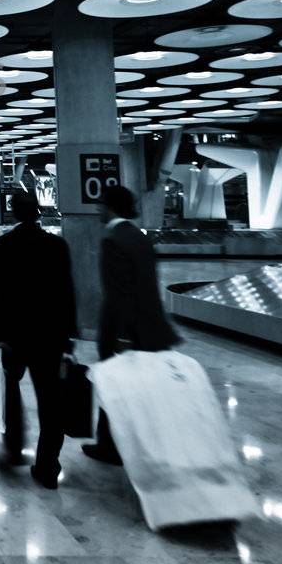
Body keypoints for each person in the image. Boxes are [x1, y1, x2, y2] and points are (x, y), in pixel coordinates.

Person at [0, 191, 76, 488]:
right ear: (38, 211)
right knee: (50, 401)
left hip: (15, 336)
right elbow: (66, 292)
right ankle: (48, 465)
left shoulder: (3, 245)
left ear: (13, 213)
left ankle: (14, 443)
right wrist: (68, 335)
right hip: (49, 336)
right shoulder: (57, 245)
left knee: (11, 387)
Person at [83, 185, 179, 466]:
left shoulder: (113, 240)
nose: (98, 209)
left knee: (114, 388)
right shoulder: (139, 237)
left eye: (101, 204)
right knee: (140, 390)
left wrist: (122, 336)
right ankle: (141, 442)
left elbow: (120, 293)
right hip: (150, 329)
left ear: (111, 207)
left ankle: (110, 446)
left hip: (123, 330)